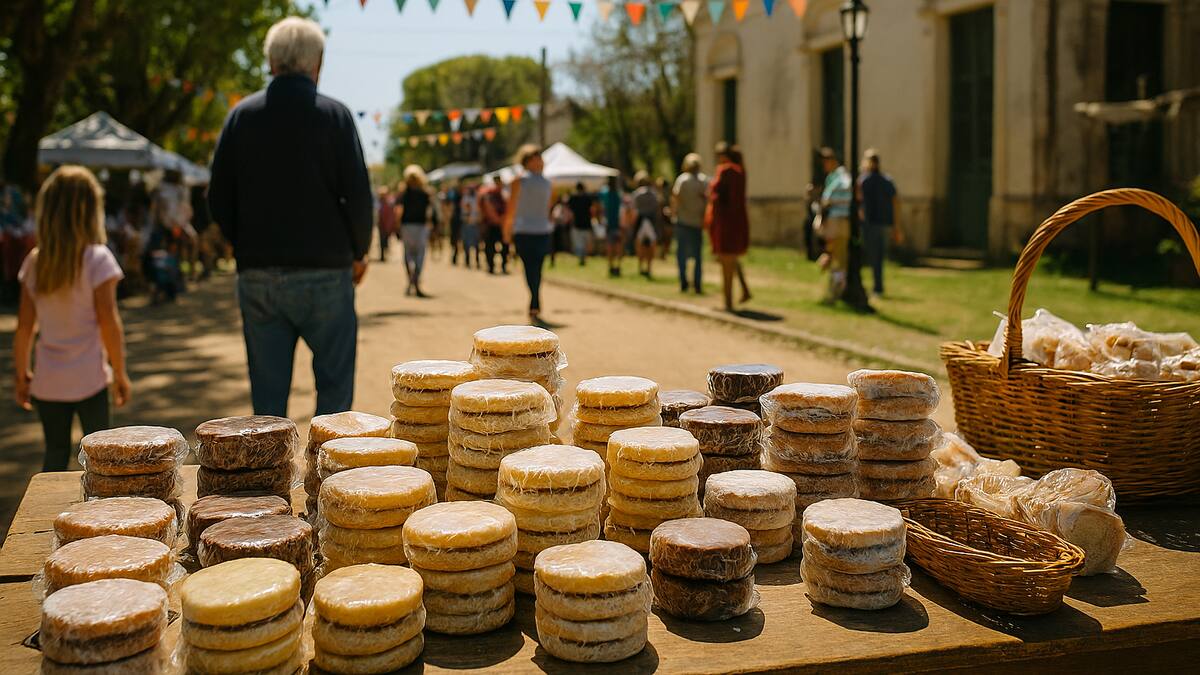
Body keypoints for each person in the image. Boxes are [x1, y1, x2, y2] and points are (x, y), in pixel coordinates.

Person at [208, 16, 372, 418]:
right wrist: (359, 251)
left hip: (259, 274)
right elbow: (358, 196)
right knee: (334, 393)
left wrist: (241, 243)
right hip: (327, 272)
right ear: (318, 63)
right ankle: (329, 457)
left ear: (270, 62)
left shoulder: (241, 116)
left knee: (267, 401)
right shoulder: (336, 115)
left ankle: (268, 459)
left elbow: (217, 196)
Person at [12, 166, 131, 471]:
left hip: (48, 380)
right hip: (90, 377)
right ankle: (99, 504)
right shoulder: (97, 259)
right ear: (91, 211)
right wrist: (120, 372)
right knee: (101, 457)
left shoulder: (35, 262)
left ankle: (48, 503)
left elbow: (25, 327)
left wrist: (22, 373)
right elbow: (109, 322)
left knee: (55, 452)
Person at [504, 145, 555, 323]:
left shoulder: (548, 183)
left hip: (541, 231)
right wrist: (507, 229)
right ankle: (535, 301)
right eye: (536, 157)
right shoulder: (519, 181)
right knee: (530, 267)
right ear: (527, 161)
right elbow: (511, 208)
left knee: (537, 268)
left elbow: (547, 209)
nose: (540, 161)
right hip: (524, 230)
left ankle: (534, 301)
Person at [706, 143, 752, 312]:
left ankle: (728, 303)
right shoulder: (740, 171)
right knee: (731, 260)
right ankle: (742, 292)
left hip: (725, 224)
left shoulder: (725, 171)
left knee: (726, 263)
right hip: (737, 222)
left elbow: (717, 198)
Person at [858, 149, 900, 296]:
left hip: (872, 223)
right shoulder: (885, 180)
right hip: (880, 223)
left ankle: (877, 287)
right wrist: (896, 225)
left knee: (874, 255)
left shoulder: (865, 180)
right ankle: (877, 286)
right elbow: (895, 202)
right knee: (877, 256)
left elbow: (858, 200)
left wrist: (896, 226)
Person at [817, 146, 852, 304]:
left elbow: (832, 195)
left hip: (838, 220)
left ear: (831, 161)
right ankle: (833, 289)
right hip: (836, 221)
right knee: (834, 254)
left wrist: (827, 199)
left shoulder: (840, 176)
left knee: (838, 257)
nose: (824, 166)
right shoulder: (833, 176)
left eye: (825, 162)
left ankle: (836, 292)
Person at [672, 153, 707, 294]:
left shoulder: (682, 179)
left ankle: (683, 282)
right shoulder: (703, 180)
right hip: (697, 222)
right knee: (697, 255)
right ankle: (697, 284)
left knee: (681, 254)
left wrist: (676, 211)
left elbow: (676, 197)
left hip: (683, 221)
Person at [396, 166, 432, 297]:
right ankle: (415, 279)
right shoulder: (425, 193)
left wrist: (397, 226)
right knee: (419, 254)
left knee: (408, 254)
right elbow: (429, 213)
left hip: (407, 226)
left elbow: (399, 211)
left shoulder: (404, 193)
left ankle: (411, 280)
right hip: (420, 226)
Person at [631, 171, 660, 278]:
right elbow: (657, 208)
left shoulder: (636, 194)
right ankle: (649, 267)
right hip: (651, 221)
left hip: (640, 220)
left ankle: (640, 266)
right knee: (651, 245)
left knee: (639, 244)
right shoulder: (654, 193)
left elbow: (634, 208)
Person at [480, 176, 509, 274]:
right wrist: (497, 219)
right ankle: (491, 266)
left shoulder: (503, 193)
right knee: (490, 247)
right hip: (492, 224)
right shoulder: (489, 193)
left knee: (504, 246)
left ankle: (502, 266)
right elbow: (487, 207)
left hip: (501, 224)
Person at [598, 176, 624, 277]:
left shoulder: (604, 192)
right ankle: (617, 266)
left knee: (610, 245)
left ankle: (611, 266)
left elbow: (600, 205)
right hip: (617, 223)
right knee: (618, 245)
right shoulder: (618, 193)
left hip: (609, 223)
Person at [566, 182, 595, 265]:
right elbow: (592, 209)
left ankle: (582, 257)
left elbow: (569, 210)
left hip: (577, 223)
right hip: (586, 223)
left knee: (579, 242)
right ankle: (583, 257)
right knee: (585, 242)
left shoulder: (573, 197)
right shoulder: (587, 197)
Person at [460, 183, 482, 269]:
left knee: (475, 244)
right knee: (467, 244)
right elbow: (466, 209)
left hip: (474, 223)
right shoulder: (466, 198)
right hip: (468, 223)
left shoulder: (476, 198)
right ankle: (468, 261)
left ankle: (475, 261)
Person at [549, 193, 572, 268]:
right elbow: (555, 216)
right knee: (554, 245)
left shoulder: (563, 207)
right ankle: (553, 259)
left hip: (560, 227)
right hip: (556, 227)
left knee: (556, 245)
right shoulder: (559, 207)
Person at [445, 182, 464, 266]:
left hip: (459, 219)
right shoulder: (454, 195)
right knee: (456, 238)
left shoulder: (460, 195)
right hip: (456, 219)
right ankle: (455, 255)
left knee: (457, 238)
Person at [375, 185, 396, 262]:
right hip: (382, 224)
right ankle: (382, 255)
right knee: (382, 240)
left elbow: (391, 214)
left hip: (386, 223)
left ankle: (384, 254)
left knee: (385, 239)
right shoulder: (379, 203)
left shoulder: (389, 202)